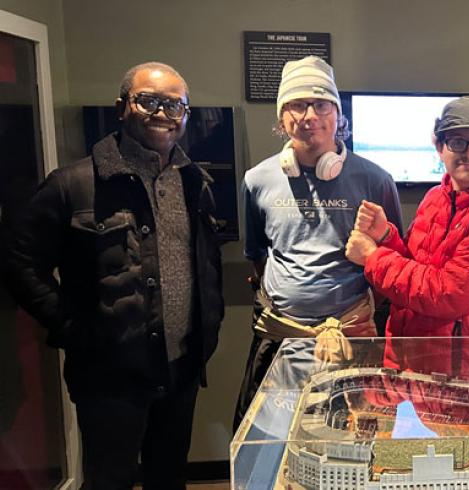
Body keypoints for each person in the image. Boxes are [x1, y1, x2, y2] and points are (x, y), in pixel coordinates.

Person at [5, 62, 224, 489]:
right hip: (109, 377)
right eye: (149, 101)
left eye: (174, 105)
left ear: (186, 116)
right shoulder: (73, 185)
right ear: (123, 106)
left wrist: (209, 327)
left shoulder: (194, 182)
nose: (162, 113)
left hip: (180, 369)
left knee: (168, 478)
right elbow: (19, 262)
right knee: (110, 481)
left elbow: (206, 263)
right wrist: (72, 327)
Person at [234, 56, 402, 429]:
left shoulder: (375, 179)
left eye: (321, 103)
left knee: (353, 442)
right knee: (274, 438)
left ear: (336, 114)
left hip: (353, 340)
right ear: (282, 117)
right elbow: (258, 257)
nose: (309, 114)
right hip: (282, 339)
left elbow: (393, 255)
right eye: (296, 104)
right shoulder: (257, 180)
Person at [344, 96, 469, 385]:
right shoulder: (437, 197)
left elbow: (447, 293)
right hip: (419, 367)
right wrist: (385, 237)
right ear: (439, 148)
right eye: (457, 142)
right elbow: (415, 266)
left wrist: (373, 257)